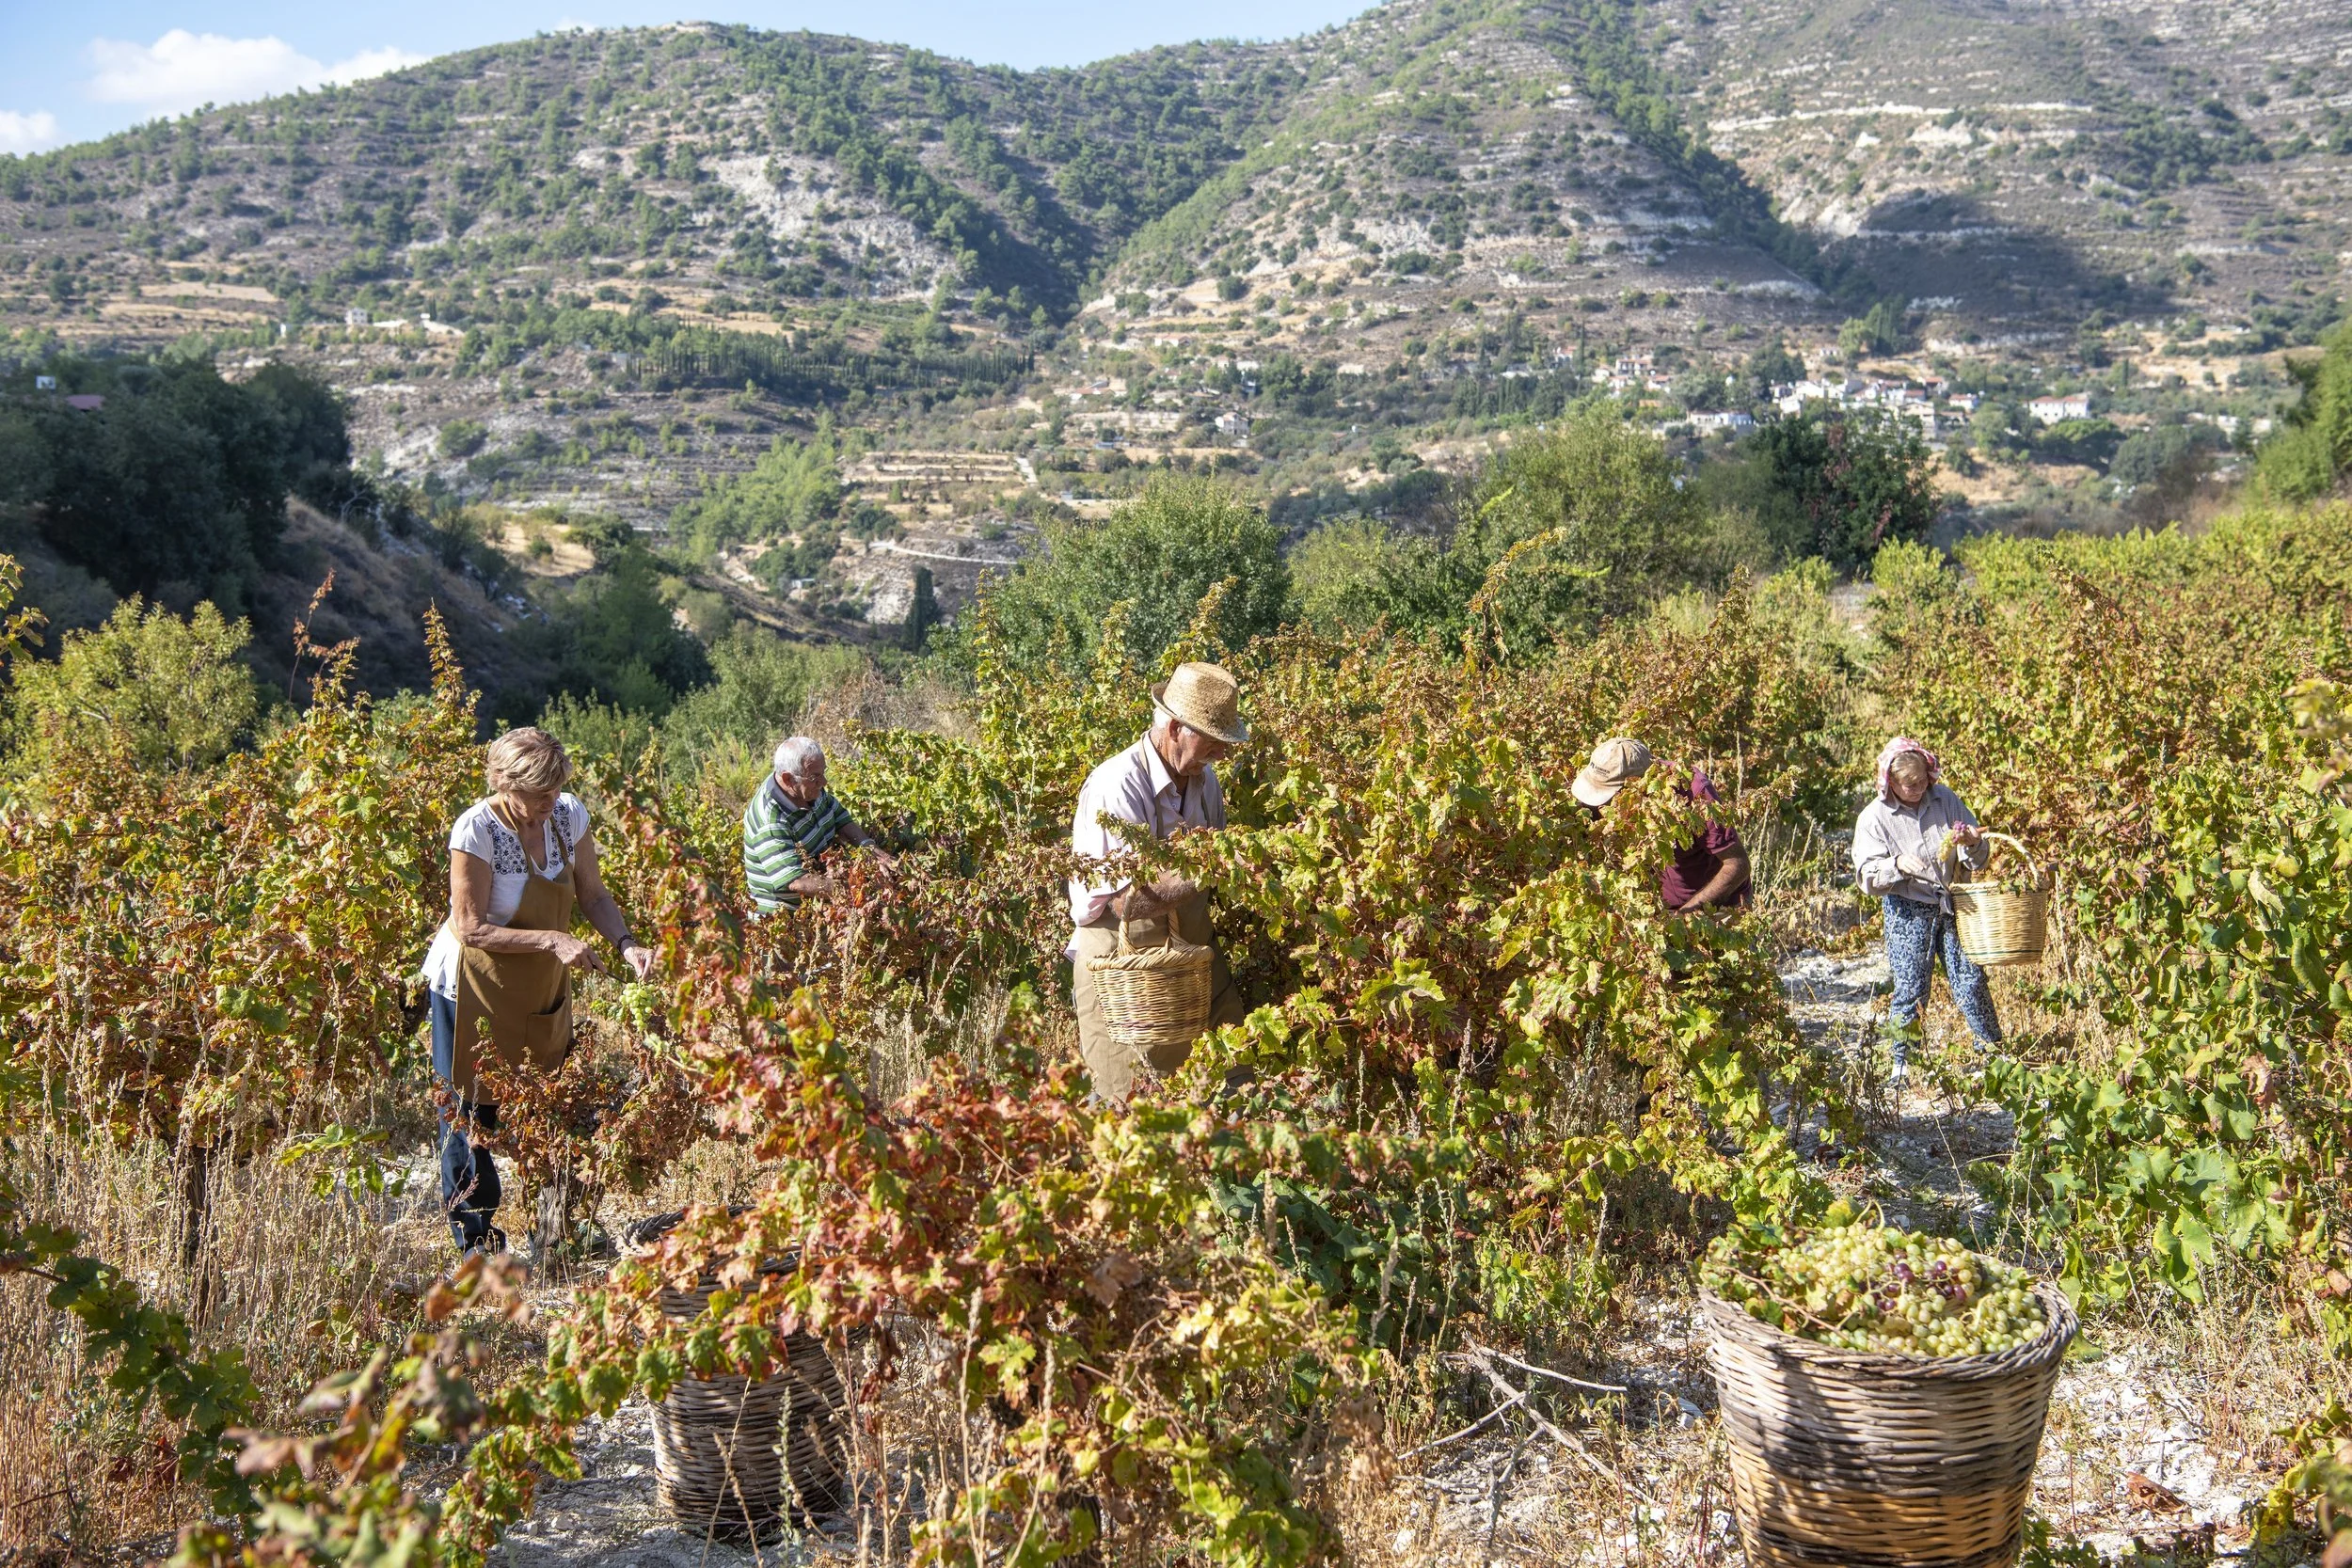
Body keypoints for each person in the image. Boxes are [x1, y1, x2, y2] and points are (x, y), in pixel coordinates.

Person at [421, 728, 655, 1256]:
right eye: (538, 793)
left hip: (540, 982)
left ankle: (556, 1230)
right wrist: (552, 938)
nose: (550, 802)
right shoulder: (476, 831)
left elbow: (593, 893)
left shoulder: (568, 816)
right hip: (472, 984)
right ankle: (477, 1244)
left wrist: (625, 943)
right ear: (504, 784)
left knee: (552, 1101)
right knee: (469, 1113)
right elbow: (471, 927)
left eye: (555, 790)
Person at [1068, 661, 1250, 1101]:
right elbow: (1124, 904)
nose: (1221, 755)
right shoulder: (1117, 786)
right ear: (1174, 729)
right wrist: (1212, 865)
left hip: (1191, 954)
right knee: (1131, 1107)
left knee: (1236, 1075)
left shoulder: (1206, 783)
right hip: (1121, 965)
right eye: (1213, 741)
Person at [1851, 736, 2001, 1079]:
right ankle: (1904, 1063)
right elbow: (1867, 878)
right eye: (1910, 785)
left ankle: (1991, 1052)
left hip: (1951, 903)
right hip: (1908, 909)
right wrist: (1898, 864)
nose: (1919, 788)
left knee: (1971, 979)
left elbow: (1978, 856)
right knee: (1910, 988)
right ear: (1891, 783)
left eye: (1922, 781)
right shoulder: (1874, 817)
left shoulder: (1944, 798)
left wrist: (1974, 843)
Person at [1571, 736, 1753, 911]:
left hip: (1718, 907)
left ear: (1638, 785)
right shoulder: (1605, 793)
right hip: (1657, 909)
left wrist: (1685, 916)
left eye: (1611, 794)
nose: (1605, 804)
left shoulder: (1694, 793)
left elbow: (1737, 865)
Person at [742, 736, 896, 913]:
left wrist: (873, 851)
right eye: (815, 777)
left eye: (823, 773)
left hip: (820, 890)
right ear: (788, 779)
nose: (824, 782)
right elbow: (797, 881)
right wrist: (857, 892)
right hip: (789, 917)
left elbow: (840, 818)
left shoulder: (808, 789)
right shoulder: (770, 819)